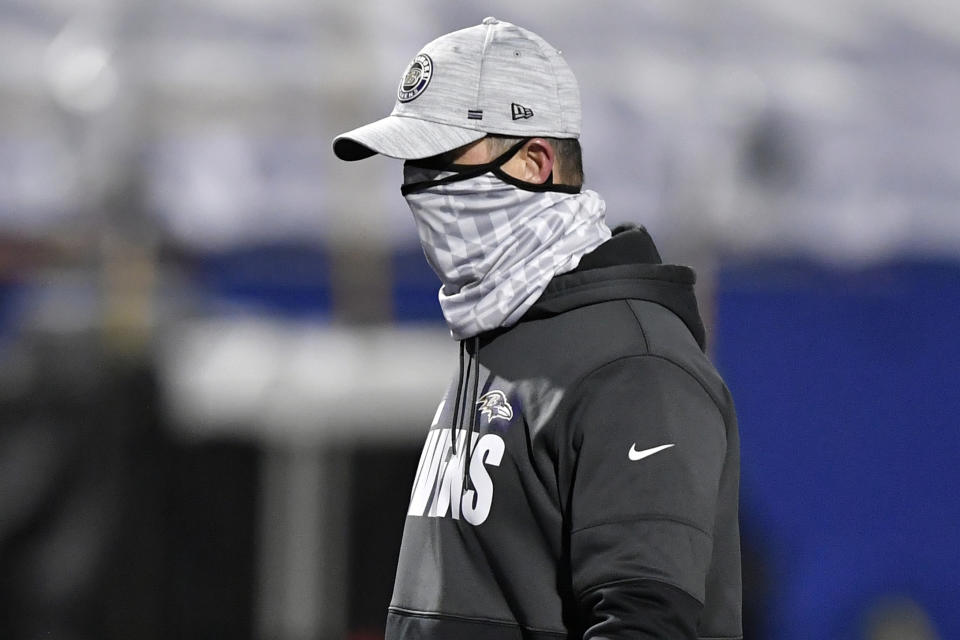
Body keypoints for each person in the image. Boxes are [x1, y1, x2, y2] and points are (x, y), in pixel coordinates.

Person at [333, 17, 741, 640]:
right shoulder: (503, 335)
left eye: (437, 159)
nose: (418, 187)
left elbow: (644, 624)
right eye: (409, 164)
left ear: (534, 161)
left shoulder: (634, 365)